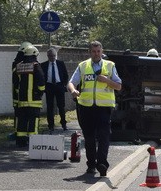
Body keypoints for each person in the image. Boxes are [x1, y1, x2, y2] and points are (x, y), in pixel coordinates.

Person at [68, 40, 122, 176]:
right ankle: (91, 164)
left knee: (104, 137)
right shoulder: (83, 66)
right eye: (93, 51)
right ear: (89, 52)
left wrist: (106, 81)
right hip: (86, 107)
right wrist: (73, 90)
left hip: (104, 108)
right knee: (90, 138)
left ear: (102, 51)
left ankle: (102, 163)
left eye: (98, 51)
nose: (96, 54)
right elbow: (71, 82)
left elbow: (118, 86)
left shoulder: (110, 66)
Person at [12, 42, 46, 147]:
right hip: (34, 102)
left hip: (22, 101)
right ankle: (33, 142)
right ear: (34, 54)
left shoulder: (19, 66)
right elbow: (41, 82)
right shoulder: (36, 66)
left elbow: (16, 83)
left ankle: (20, 141)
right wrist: (40, 92)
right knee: (33, 121)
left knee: (21, 121)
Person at [40, 47, 69, 132]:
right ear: (47, 56)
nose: (52, 57)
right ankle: (51, 126)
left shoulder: (60, 63)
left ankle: (64, 124)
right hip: (49, 86)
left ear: (56, 55)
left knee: (61, 106)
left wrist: (64, 85)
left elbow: (65, 75)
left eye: (53, 56)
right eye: (50, 56)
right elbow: (42, 77)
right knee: (50, 107)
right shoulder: (44, 65)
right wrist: (44, 87)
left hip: (59, 86)